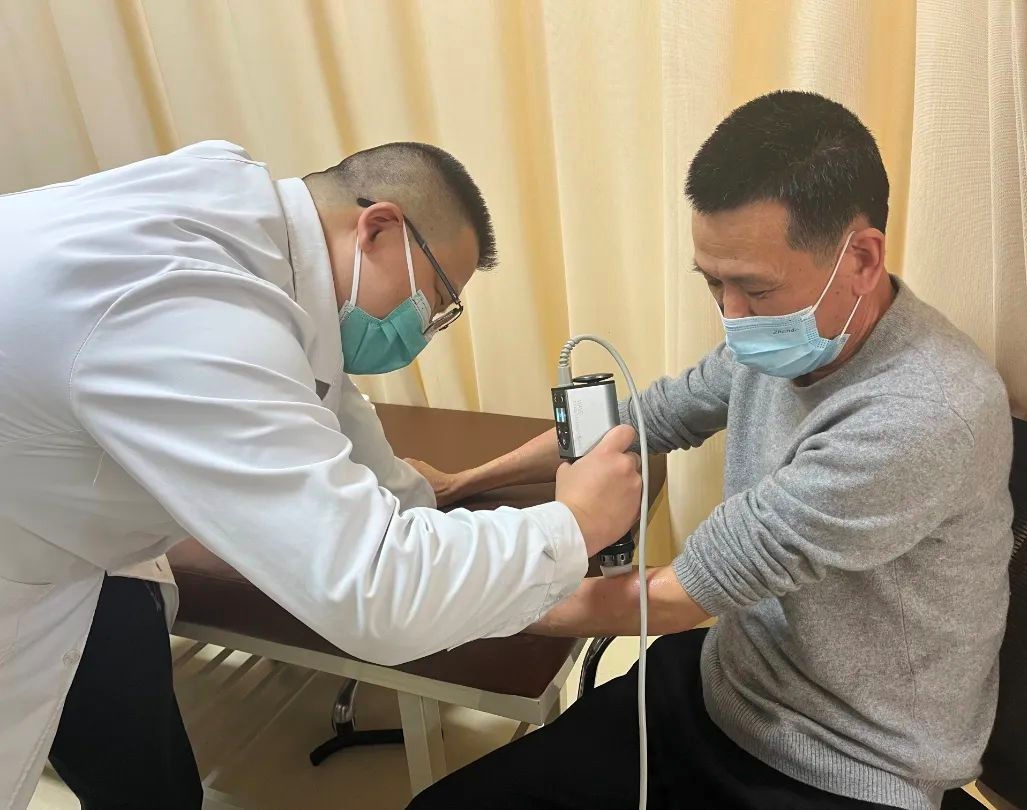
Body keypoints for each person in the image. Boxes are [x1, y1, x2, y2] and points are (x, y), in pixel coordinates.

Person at [407, 91, 1014, 810]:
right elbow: (644, 418)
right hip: (728, 681)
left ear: (861, 258)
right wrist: (460, 483)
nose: (731, 317)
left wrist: (457, 597)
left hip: (847, 759)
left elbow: (679, 594)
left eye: (753, 288)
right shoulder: (786, 339)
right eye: (713, 283)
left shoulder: (924, 413)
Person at [0, 140, 642, 809]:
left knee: (144, 764)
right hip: (20, 555)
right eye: (437, 301)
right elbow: (374, 595)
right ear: (378, 228)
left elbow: (335, 411)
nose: (427, 328)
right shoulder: (189, 306)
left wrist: (439, 505)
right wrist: (572, 526)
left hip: (73, 540)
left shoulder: (249, 226)